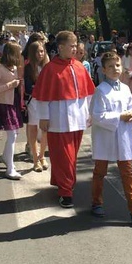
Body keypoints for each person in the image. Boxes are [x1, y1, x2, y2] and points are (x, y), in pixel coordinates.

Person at [33, 31, 95, 208]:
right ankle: (66, 192)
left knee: (71, 157)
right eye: (71, 46)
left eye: (76, 45)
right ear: (60, 47)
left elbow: (88, 93)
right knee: (63, 157)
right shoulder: (50, 68)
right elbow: (42, 95)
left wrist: (89, 113)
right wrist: (43, 117)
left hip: (78, 118)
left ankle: (63, 182)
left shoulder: (80, 66)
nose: (75, 49)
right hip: (58, 119)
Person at [89, 51, 132, 222]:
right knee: (100, 171)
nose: (114, 69)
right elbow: (97, 116)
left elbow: (131, 108)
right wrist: (119, 117)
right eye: (110, 66)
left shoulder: (125, 89)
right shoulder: (100, 91)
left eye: (117, 65)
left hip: (123, 134)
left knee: (127, 171)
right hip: (105, 136)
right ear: (103, 70)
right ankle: (97, 202)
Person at [0, 42, 24, 180]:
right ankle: (10, 168)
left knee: (14, 134)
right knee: (12, 136)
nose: (20, 55)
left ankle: (6, 158)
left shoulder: (14, 67)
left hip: (13, 102)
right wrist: (10, 85)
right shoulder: (0, 69)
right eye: (18, 52)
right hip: (4, 104)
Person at [25, 41, 50, 172]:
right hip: (33, 102)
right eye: (37, 51)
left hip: (46, 102)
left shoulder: (48, 66)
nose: (40, 54)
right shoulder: (28, 67)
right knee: (33, 130)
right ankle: (35, 159)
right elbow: (28, 87)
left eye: (42, 51)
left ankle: (42, 156)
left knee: (45, 130)